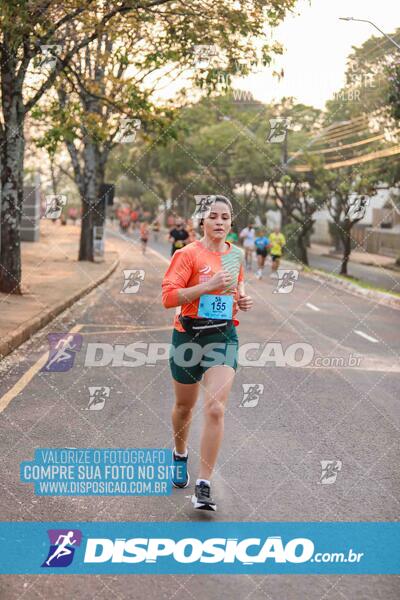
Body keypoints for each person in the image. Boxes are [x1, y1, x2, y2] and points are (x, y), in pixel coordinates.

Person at [162, 195, 253, 512]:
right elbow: (169, 297)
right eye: (213, 216)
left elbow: (235, 288)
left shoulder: (235, 256)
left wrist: (242, 300)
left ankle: (203, 485)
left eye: (225, 217)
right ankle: (179, 451)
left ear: (231, 222)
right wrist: (207, 285)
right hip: (188, 337)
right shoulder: (187, 254)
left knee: (215, 408)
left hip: (223, 336)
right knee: (184, 409)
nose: (219, 221)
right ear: (203, 221)